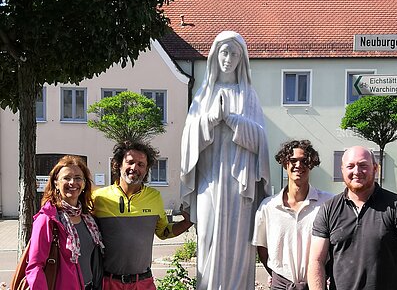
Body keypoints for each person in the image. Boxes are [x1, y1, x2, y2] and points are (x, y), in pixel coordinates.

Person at [180, 30, 271, 289]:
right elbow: (188, 139)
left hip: (238, 187)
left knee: (239, 243)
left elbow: (261, 142)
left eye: (234, 53)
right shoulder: (203, 95)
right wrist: (210, 119)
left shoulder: (248, 96)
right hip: (209, 181)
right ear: (214, 55)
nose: (228, 58)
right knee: (207, 236)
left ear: (241, 58)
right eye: (223, 52)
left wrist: (232, 120)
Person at [308, 146, 397, 290]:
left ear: (375, 168)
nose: (356, 171)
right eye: (350, 166)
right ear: (342, 170)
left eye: (363, 165)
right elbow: (316, 260)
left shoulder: (396, 206)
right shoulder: (329, 209)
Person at [92, 140, 193, 290]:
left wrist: (189, 221)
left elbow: (164, 232)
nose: (134, 168)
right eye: (130, 162)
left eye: (141, 164)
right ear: (118, 165)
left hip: (143, 283)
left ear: (146, 170)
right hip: (108, 283)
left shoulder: (154, 197)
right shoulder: (99, 198)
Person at [253, 140, 333, 290]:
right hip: (281, 286)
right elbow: (262, 249)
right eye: (293, 160)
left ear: (311, 164)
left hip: (316, 285)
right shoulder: (268, 207)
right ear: (285, 164)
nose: (298, 165)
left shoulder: (327, 203)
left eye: (304, 161)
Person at [26, 155, 104, 290]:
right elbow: (35, 266)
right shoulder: (48, 219)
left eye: (78, 178)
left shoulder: (88, 219)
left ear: (84, 183)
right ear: (56, 182)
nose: (73, 182)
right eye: (66, 178)